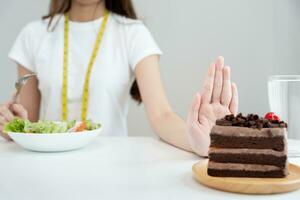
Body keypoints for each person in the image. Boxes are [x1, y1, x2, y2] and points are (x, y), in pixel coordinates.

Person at [0, 0, 238, 156]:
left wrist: (200, 142)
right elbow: (27, 121)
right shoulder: (33, 35)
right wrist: (13, 124)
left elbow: (162, 115)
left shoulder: (132, 33)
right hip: (46, 169)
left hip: (112, 169)